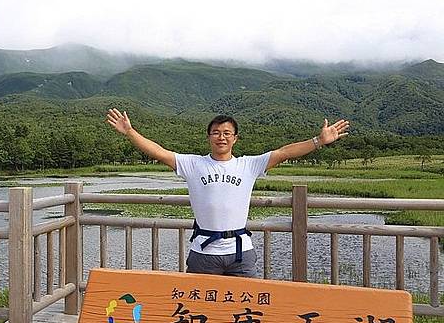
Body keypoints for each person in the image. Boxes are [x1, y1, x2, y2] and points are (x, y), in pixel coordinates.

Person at [105, 108, 349, 277]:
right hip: (203, 252)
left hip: (240, 252)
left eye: (227, 133)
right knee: (198, 310)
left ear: (235, 138)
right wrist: (129, 132)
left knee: (248, 309)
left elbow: (284, 152)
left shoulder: (248, 164)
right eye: (216, 133)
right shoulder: (193, 164)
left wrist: (319, 140)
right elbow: (158, 152)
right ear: (209, 136)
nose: (221, 137)